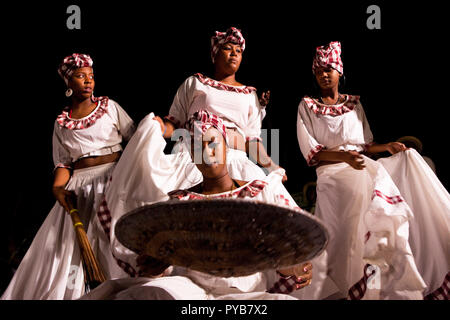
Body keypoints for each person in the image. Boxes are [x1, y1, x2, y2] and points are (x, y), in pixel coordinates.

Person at [81, 111, 313, 300]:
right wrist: (158, 263)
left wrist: (294, 268)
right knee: (149, 293)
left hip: (247, 294)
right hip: (193, 289)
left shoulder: (261, 191)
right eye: (198, 147)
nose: (208, 152)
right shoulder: (180, 203)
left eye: (213, 143)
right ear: (191, 155)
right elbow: (166, 261)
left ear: (225, 146)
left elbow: (280, 255)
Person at [296, 41, 450, 299]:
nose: (325, 73)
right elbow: (313, 152)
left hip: (359, 167)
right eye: (320, 69)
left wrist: (386, 147)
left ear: (339, 72)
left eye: (330, 69)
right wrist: (344, 157)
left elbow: (365, 146)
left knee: (405, 163)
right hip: (331, 175)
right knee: (350, 216)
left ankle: (401, 270)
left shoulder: (354, 105)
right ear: (314, 74)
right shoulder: (307, 106)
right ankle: (348, 282)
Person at [1, 53, 135, 300]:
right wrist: (58, 188)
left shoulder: (109, 108)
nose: (88, 81)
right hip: (80, 188)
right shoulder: (62, 123)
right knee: (70, 250)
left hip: (114, 179)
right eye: (80, 76)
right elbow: (63, 163)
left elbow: (135, 138)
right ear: (68, 83)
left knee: (112, 238)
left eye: (91, 76)